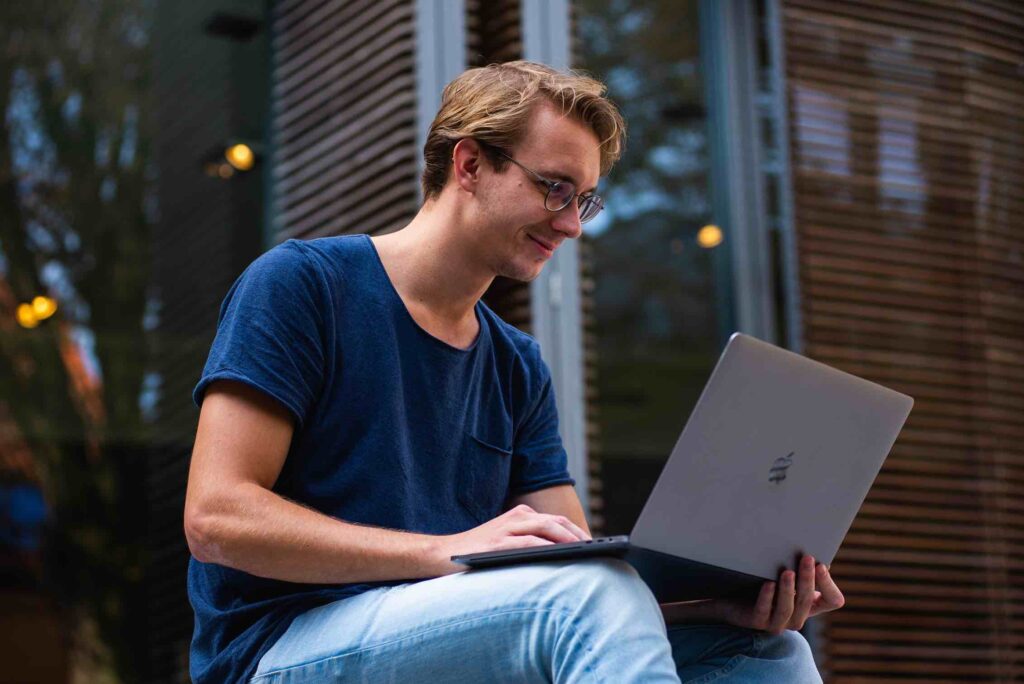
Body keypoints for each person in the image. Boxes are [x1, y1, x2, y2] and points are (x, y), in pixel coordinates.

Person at [183, 60, 843, 684]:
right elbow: (216, 520)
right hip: (280, 648)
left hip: (446, 637)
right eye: (555, 188)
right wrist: (446, 551)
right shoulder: (304, 286)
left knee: (766, 651)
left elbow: (582, 579)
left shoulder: (516, 365)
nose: (571, 225)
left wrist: (713, 605)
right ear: (469, 164)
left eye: (585, 200)